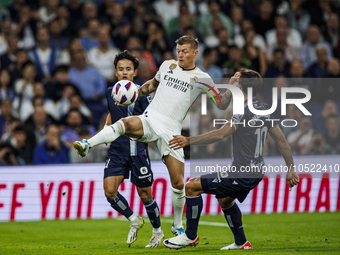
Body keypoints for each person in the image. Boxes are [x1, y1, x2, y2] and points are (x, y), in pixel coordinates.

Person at [73, 35, 233, 236]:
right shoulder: (168, 66)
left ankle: (177, 224)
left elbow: (221, 103)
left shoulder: (203, 78)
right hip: (151, 118)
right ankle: (88, 143)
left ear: (195, 53)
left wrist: (232, 86)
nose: (180, 54)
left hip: (171, 129)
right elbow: (153, 84)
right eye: (178, 50)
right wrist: (135, 93)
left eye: (185, 51)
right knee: (123, 124)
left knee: (178, 183)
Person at [163, 70, 299, 250]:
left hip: (242, 172)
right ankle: (241, 242)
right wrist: (291, 168)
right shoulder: (264, 109)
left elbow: (220, 134)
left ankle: (190, 236)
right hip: (256, 170)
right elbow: (281, 140)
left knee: (191, 186)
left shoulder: (241, 112)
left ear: (240, 87)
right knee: (225, 199)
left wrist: (188, 140)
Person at [78, 50, 164, 247]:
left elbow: (152, 120)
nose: (124, 72)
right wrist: (105, 133)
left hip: (137, 150)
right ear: (116, 73)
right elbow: (112, 114)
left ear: (134, 72)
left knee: (145, 195)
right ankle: (134, 219)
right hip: (117, 150)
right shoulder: (111, 92)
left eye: (128, 69)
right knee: (110, 191)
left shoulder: (142, 94)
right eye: (120, 69)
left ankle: (158, 231)